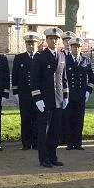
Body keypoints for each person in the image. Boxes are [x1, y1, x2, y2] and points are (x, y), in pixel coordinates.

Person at [31, 26, 69, 167]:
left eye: (56, 39)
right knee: (44, 131)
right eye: (51, 38)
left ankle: (53, 156)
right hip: (45, 100)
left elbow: (63, 78)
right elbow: (34, 80)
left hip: (58, 99)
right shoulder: (40, 56)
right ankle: (43, 158)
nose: (54, 41)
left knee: (55, 131)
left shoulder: (62, 56)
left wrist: (65, 96)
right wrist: (37, 99)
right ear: (46, 40)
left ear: (59, 41)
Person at [64, 36, 94, 150]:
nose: (76, 49)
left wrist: (88, 92)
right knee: (69, 119)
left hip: (81, 95)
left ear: (81, 48)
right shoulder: (65, 60)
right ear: (70, 47)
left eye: (78, 47)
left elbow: (91, 79)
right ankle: (69, 143)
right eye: (74, 47)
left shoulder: (86, 61)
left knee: (79, 119)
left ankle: (78, 143)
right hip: (69, 95)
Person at [11, 32, 40, 150]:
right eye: (28, 43)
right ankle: (26, 143)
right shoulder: (19, 58)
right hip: (24, 94)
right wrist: (16, 93)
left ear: (37, 44)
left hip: (38, 94)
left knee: (37, 119)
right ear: (25, 44)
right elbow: (15, 77)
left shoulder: (40, 57)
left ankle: (37, 142)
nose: (31, 46)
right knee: (26, 119)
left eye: (33, 43)